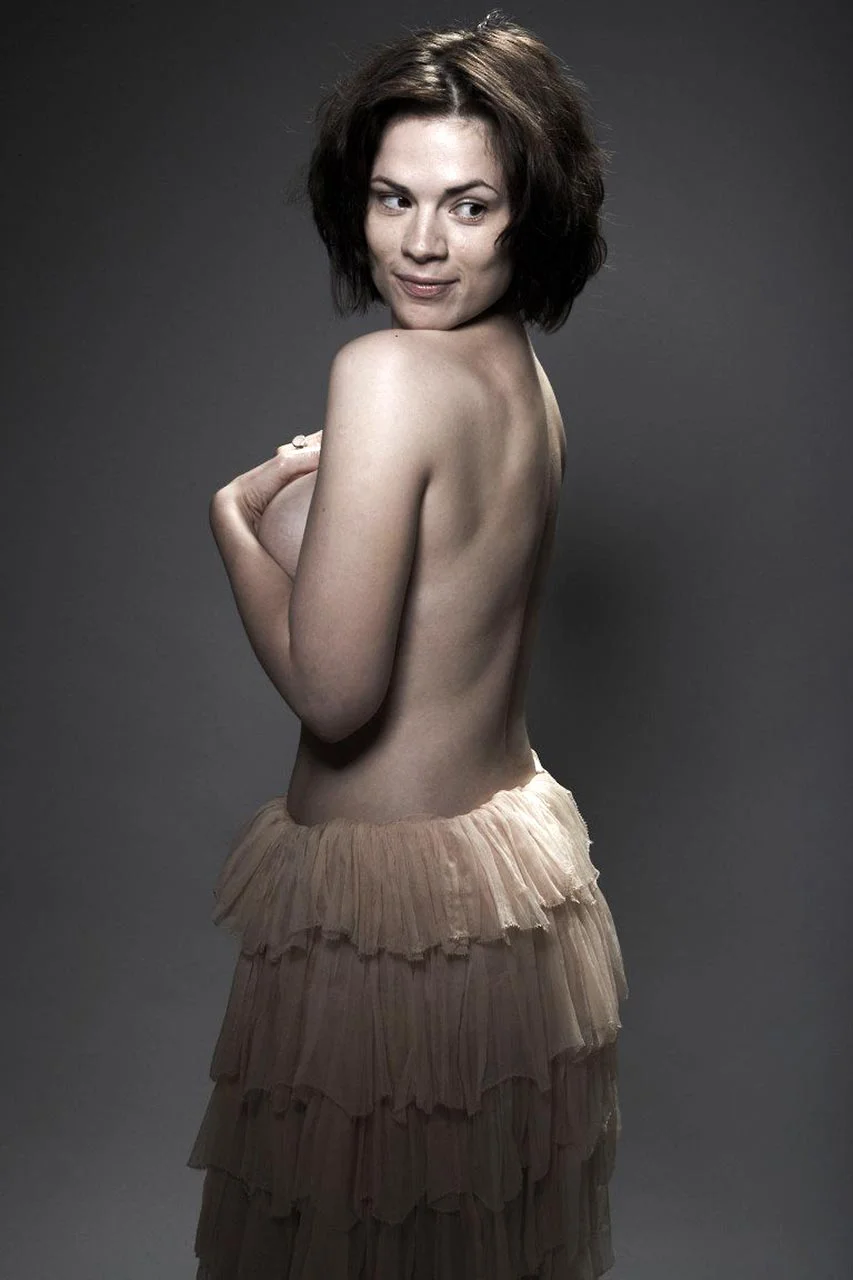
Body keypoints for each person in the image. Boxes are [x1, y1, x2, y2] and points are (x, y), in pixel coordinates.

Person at [187, 11, 627, 1278]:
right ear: (357, 200)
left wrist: (231, 522)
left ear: (530, 213)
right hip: (514, 882)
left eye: (468, 205)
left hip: (389, 922)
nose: (421, 243)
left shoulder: (387, 373)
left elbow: (335, 696)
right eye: (394, 198)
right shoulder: (521, 378)